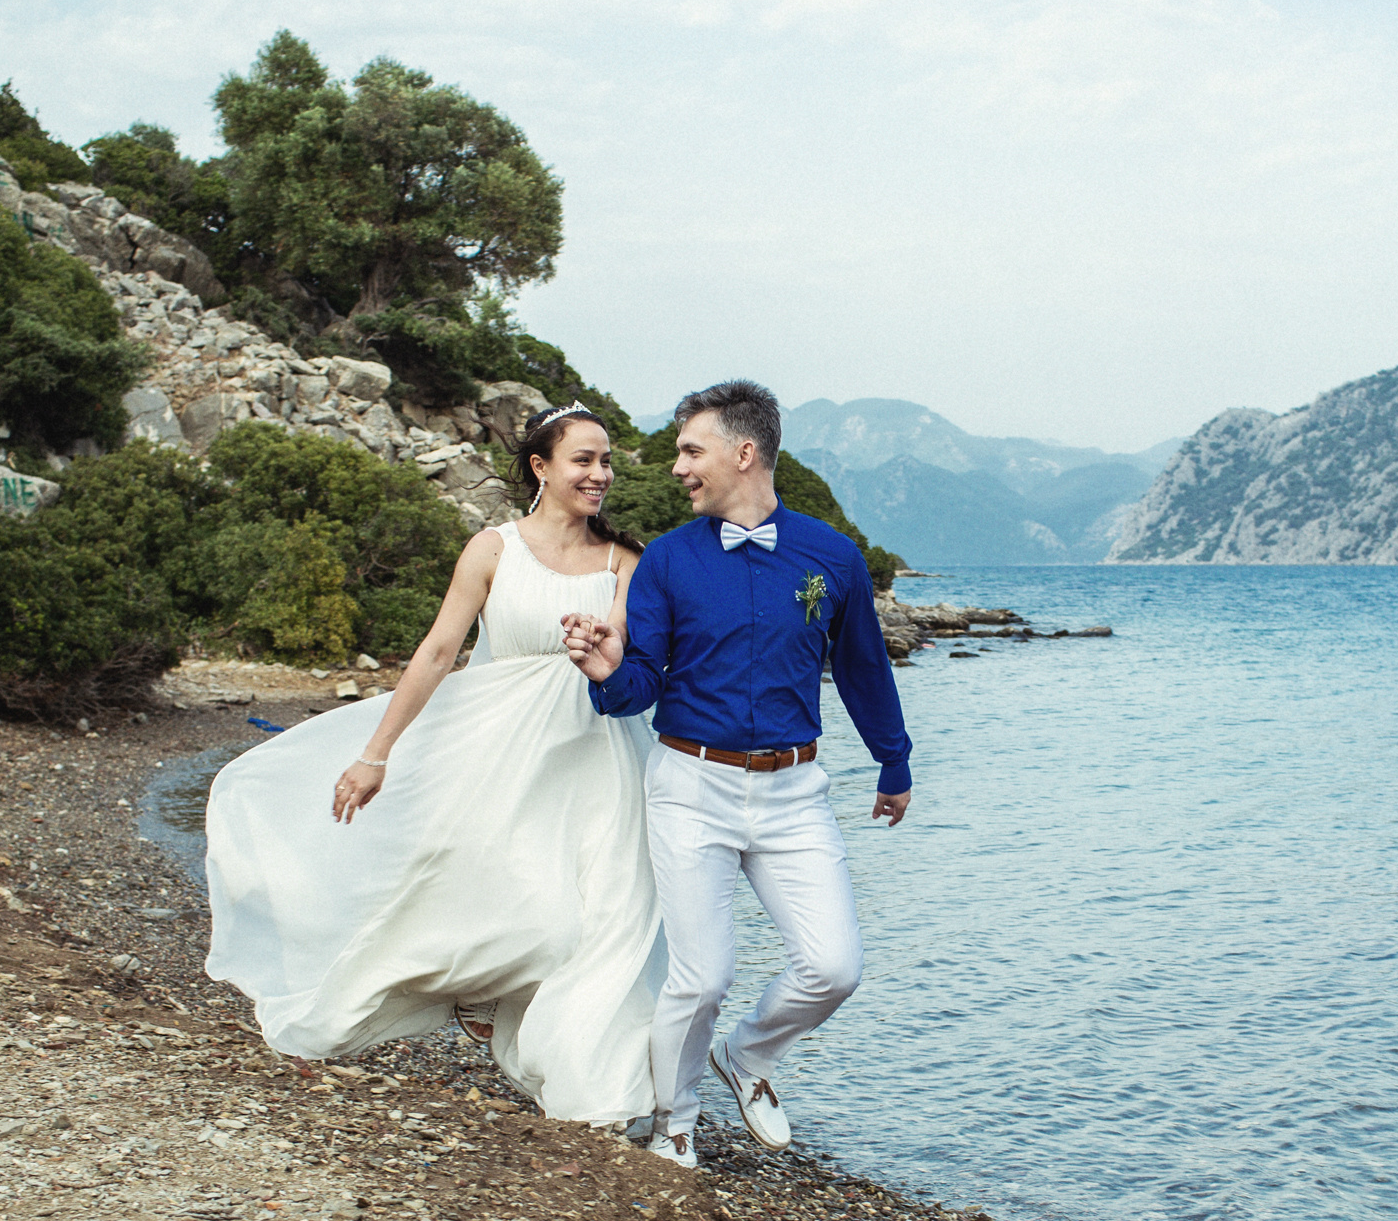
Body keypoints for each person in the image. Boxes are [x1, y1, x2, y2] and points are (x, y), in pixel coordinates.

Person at [204, 403, 667, 1124]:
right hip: (495, 755)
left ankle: (597, 1086)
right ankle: (472, 993)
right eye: (584, 460)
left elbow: (634, 666)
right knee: (519, 912)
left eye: (606, 461)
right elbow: (437, 652)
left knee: (595, 926)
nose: (600, 474)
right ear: (541, 468)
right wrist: (375, 753)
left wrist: (601, 652)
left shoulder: (625, 562)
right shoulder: (492, 550)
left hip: (597, 761)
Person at [561, 380, 912, 1169]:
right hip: (690, 783)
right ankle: (675, 1122)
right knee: (702, 976)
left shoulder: (832, 556)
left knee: (832, 967)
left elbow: (861, 668)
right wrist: (605, 669)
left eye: (691, 449)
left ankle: (749, 1057)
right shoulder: (667, 562)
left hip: (797, 792)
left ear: (743, 452)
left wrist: (895, 758)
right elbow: (639, 684)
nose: (678, 466)